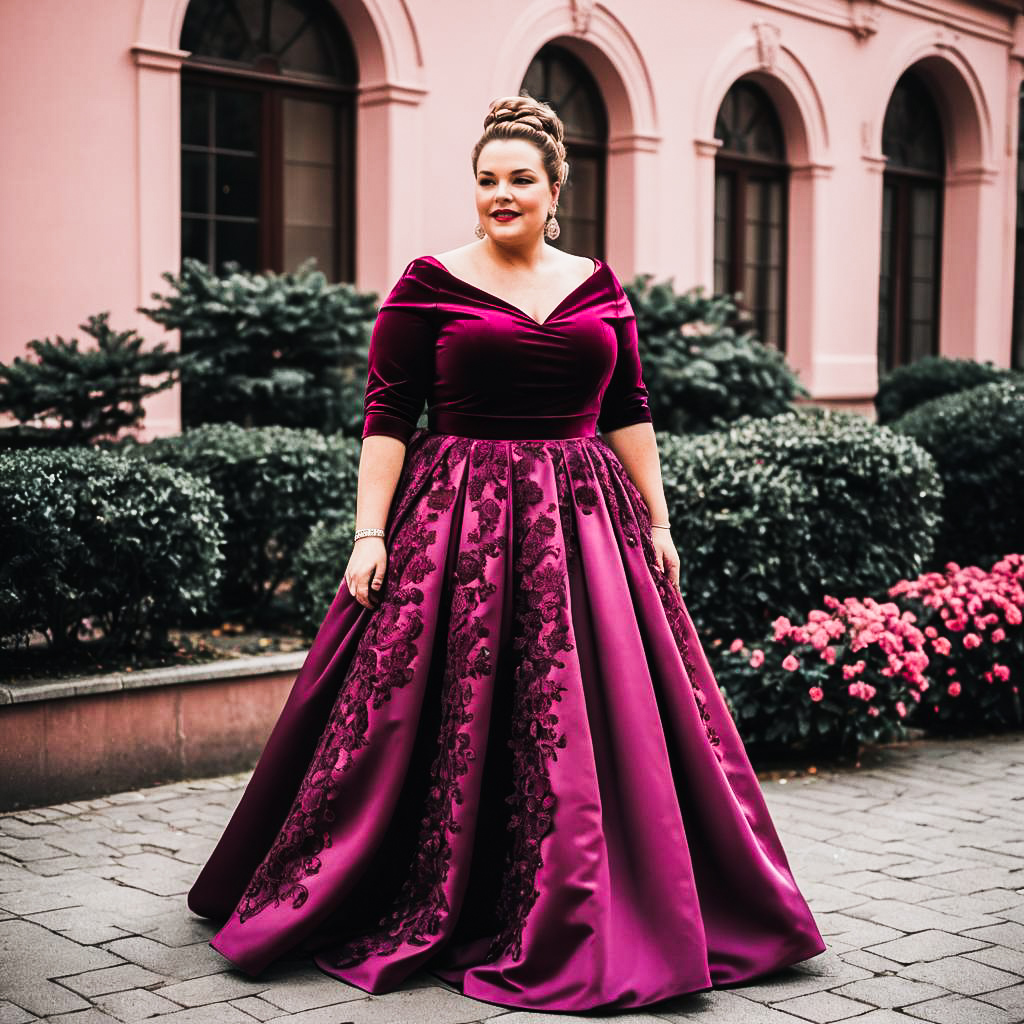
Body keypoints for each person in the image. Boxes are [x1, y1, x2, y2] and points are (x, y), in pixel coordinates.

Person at [186, 92, 827, 1014]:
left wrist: (660, 520)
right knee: (433, 717)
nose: (501, 194)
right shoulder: (429, 282)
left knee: (586, 718)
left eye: (520, 179)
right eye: (487, 180)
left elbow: (630, 409)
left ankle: (600, 907)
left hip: (587, 523)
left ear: (556, 186)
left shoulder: (599, 284)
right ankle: (423, 891)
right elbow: (387, 416)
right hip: (458, 525)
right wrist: (369, 535)